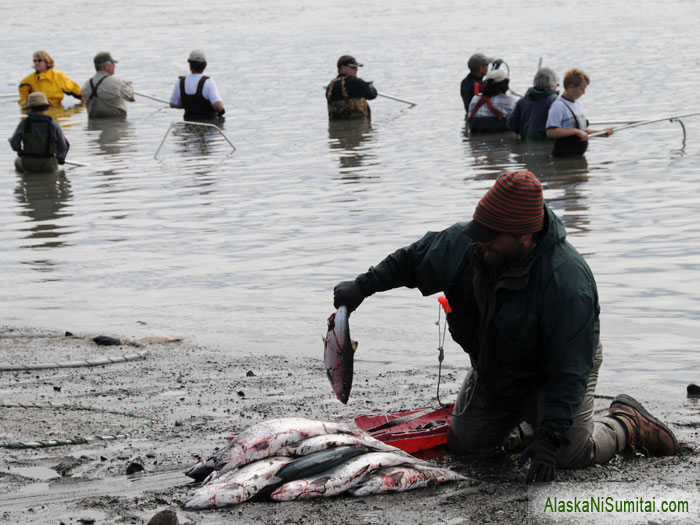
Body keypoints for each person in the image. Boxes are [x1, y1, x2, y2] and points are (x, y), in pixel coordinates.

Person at [333, 170, 679, 483]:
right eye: (478, 231)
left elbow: (570, 371)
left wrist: (552, 438)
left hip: (555, 368)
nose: (479, 241)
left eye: (490, 236)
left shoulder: (567, 281)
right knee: (467, 447)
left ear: (526, 235)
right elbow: (412, 260)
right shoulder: (466, 244)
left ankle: (626, 423)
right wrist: (363, 286)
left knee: (568, 455)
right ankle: (529, 424)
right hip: (496, 367)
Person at [545, 68, 613, 156]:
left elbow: (582, 130)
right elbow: (551, 132)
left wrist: (600, 133)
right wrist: (575, 131)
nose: (583, 93)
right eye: (582, 89)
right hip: (564, 157)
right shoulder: (558, 106)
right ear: (571, 87)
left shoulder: (577, 104)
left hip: (578, 156)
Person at [9, 92, 70, 172]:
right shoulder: (54, 124)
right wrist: (59, 158)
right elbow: (63, 147)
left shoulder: (24, 124)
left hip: (29, 164)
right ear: (47, 108)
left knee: (17, 161)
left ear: (30, 109)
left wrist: (20, 150)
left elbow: (14, 143)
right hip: (48, 165)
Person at [169, 50, 225, 121]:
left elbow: (173, 104)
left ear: (190, 65)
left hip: (189, 126)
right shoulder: (208, 82)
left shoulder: (180, 82)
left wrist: (189, 104)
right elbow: (218, 107)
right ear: (204, 65)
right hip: (209, 128)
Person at [508, 67, 559, 141]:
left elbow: (512, 125)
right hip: (545, 144)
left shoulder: (522, 101)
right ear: (551, 86)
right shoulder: (555, 101)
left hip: (525, 142)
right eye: (557, 85)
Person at [81, 52, 135, 118]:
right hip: (117, 125)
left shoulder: (85, 86)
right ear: (106, 66)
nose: (114, 66)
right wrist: (128, 86)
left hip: (92, 125)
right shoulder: (117, 83)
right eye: (113, 64)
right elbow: (130, 96)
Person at [326, 55, 377, 120]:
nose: (356, 70)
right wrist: (371, 87)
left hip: (337, 127)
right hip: (358, 127)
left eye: (356, 67)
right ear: (343, 68)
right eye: (353, 67)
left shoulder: (330, 86)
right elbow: (372, 95)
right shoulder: (356, 82)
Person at [467, 69, 517, 133]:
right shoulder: (510, 101)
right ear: (505, 85)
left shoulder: (475, 99)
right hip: (501, 139)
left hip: (477, 137)